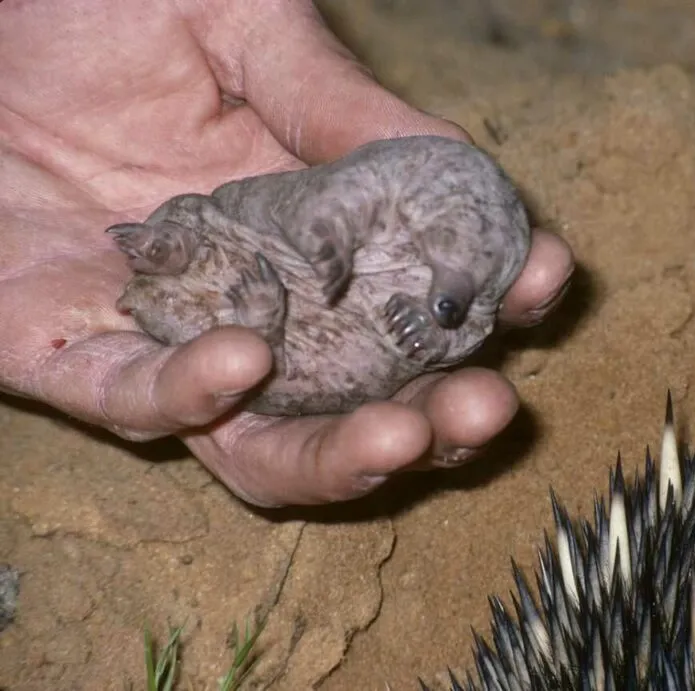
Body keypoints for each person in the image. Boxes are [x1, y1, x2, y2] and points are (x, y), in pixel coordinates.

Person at [0, 0, 575, 508]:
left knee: (255, 352)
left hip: (302, 350)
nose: (451, 291)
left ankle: (248, 325)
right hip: (239, 244)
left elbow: (464, 323)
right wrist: (332, 246)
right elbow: (319, 212)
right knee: (197, 223)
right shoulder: (389, 183)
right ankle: (177, 256)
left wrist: (437, 323)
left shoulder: (468, 274)